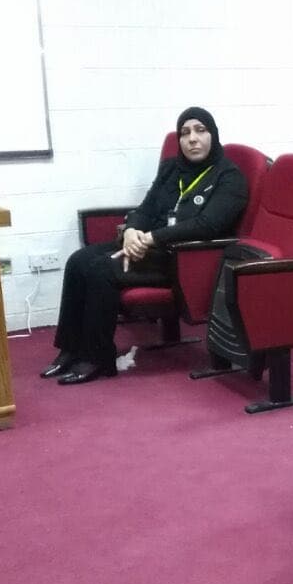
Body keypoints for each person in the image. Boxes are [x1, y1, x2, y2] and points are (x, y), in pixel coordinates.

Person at [41, 107, 248, 385]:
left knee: (101, 270)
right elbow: (146, 208)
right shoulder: (171, 168)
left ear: (213, 135)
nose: (192, 139)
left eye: (201, 131)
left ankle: (97, 357)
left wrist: (149, 239)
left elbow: (207, 225)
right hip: (149, 248)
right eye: (185, 133)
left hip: (182, 259)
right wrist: (131, 231)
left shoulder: (229, 177)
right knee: (79, 260)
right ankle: (71, 349)